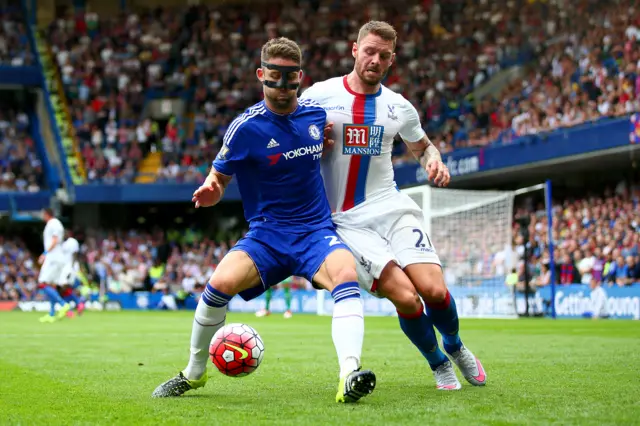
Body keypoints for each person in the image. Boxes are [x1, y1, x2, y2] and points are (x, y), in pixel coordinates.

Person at [152, 37, 376, 403]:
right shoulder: (245, 128)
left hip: (314, 232)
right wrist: (212, 189)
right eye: (274, 76)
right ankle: (193, 373)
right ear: (261, 75)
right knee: (219, 282)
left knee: (346, 275)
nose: (283, 86)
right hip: (267, 235)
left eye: (290, 78)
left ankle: (349, 374)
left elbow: (326, 146)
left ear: (300, 77)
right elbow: (218, 175)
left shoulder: (316, 117)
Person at [300, 21, 486, 390]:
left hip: (391, 207)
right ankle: (437, 363)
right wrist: (311, 143)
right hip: (344, 222)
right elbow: (290, 139)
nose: (374, 59)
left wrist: (435, 161)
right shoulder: (318, 96)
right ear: (355, 50)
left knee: (433, 290)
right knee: (406, 296)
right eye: (369, 51)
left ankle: (455, 345)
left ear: (391, 60)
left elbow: (423, 147)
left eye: (383, 55)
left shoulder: (398, 107)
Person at [38, 208, 71, 323]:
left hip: (53, 257)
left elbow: (55, 239)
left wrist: (45, 253)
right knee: (51, 286)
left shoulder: (53, 224)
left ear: (46, 214)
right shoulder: (56, 223)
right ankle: (51, 314)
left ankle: (63, 304)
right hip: (57, 257)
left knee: (42, 283)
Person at [58, 231, 85, 317]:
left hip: (70, 268)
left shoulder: (72, 241)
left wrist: (71, 268)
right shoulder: (63, 243)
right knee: (65, 288)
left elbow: (75, 254)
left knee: (64, 287)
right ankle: (76, 305)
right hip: (65, 268)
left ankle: (70, 308)